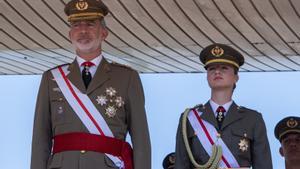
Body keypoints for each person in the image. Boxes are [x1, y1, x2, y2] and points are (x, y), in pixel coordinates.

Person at [30, 0, 151, 169]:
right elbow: (40, 140)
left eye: (90, 24)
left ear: (104, 33)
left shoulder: (127, 78)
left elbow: (141, 141)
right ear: (70, 34)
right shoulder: (51, 79)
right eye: (76, 25)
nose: (83, 31)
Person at [174, 43, 272, 169]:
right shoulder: (189, 118)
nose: (217, 71)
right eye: (212, 69)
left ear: (236, 77)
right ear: (207, 76)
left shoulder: (252, 119)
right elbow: (181, 165)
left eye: (224, 68)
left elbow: (263, 165)